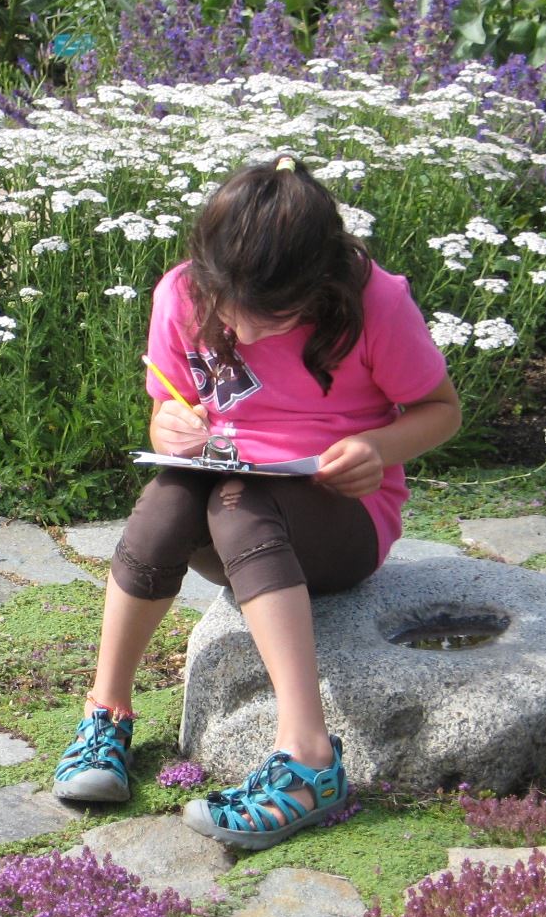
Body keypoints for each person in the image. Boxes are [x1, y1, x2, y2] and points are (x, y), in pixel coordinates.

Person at [53, 156, 461, 849]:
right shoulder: (181, 295)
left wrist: (378, 449)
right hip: (228, 519)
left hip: (338, 521)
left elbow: (442, 411)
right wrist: (168, 427)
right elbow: (165, 406)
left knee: (238, 501)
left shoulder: (377, 303)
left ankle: (308, 760)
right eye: (226, 307)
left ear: (320, 284)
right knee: (168, 496)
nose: (238, 330)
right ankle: (106, 713)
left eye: (268, 316)